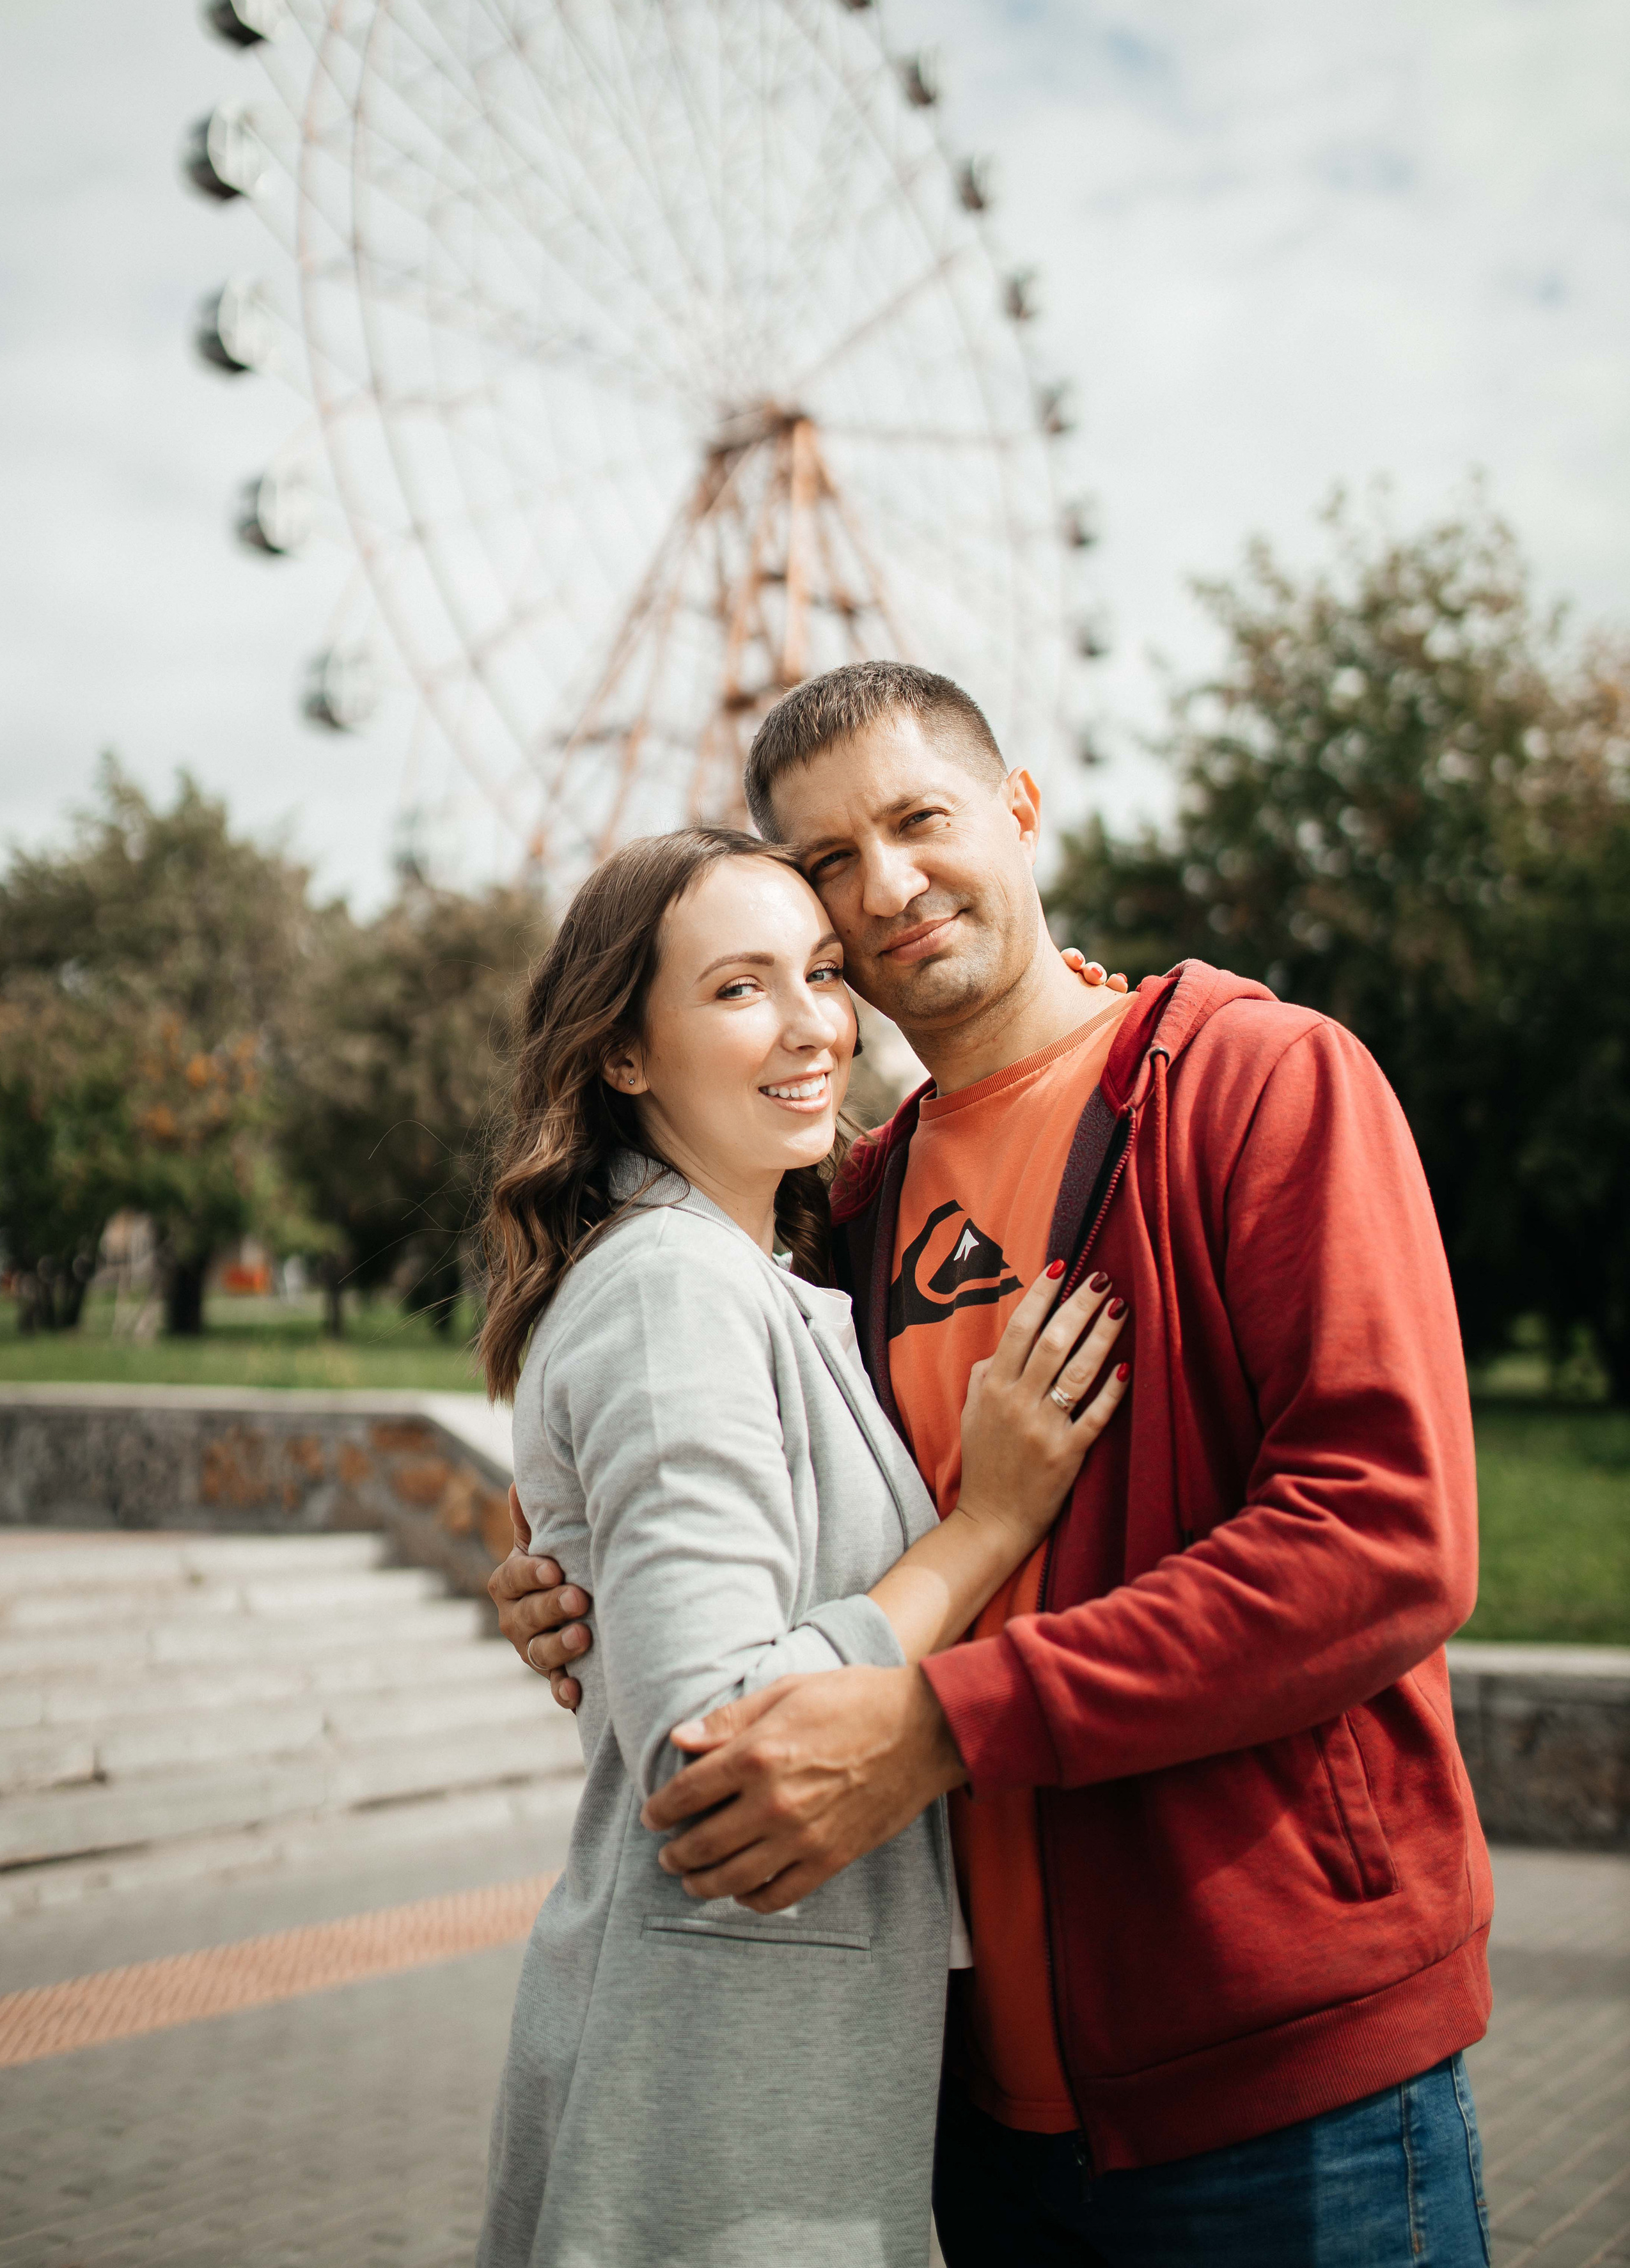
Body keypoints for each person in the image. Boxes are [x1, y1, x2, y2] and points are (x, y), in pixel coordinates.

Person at [496, 662, 1494, 2267]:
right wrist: (583, 1572)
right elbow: (731, 1464)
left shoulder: (1253, 1086)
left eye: (918, 820)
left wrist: (942, 1727)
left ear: (1018, 809)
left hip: (1266, 2079)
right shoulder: (854, 1204)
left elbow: (1381, 1540)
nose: (884, 887)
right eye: (827, 862)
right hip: (962, 2109)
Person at [473, 822, 1129, 2268]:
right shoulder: (673, 1292)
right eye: (737, 989)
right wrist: (989, 1523)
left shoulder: (753, 1275)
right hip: (715, 2083)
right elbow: (713, 1736)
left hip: (776, 2053)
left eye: (821, 973)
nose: (813, 1023)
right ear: (622, 1056)